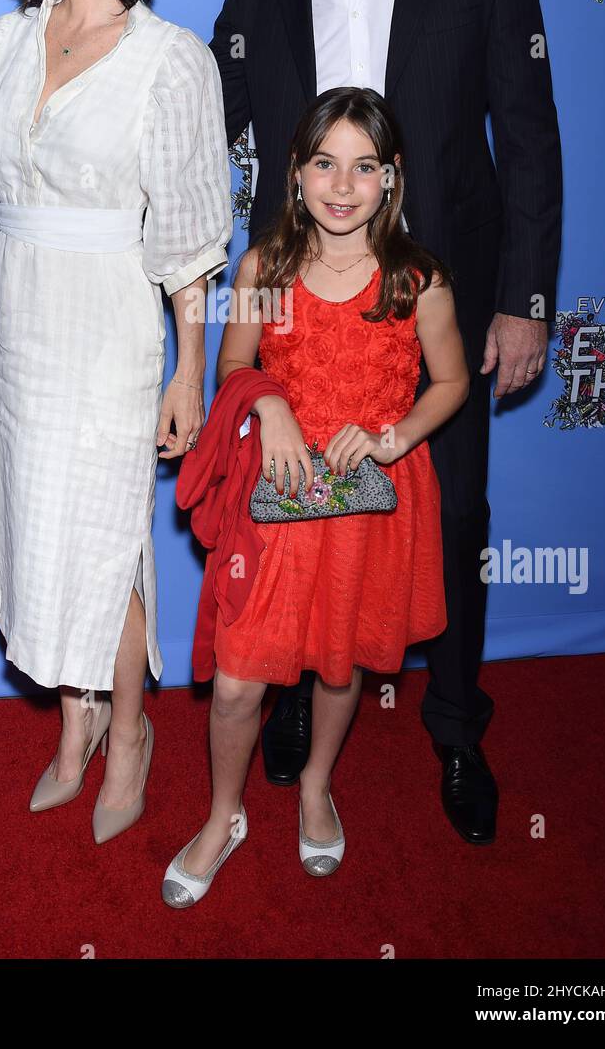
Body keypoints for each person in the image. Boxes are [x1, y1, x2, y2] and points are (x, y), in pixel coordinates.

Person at [209, 0, 562, 843]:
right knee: (286, 513)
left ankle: (455, 723)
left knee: (450, 518)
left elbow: (531, 136)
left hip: (429, 302)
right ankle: (279, 688)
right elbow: (207, 137)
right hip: (298, 309)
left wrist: (526, 298)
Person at [0, 0, 233, 844]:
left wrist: (189, 366)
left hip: (107, 319)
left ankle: (134, 731)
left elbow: (193, 236)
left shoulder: (170, 61)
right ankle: (77, 730)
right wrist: (26, 242)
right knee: (35, 527)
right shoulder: (3, 43)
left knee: (100, 541)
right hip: (12, 305)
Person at [162, 87, 469, 906]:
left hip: (371, 504)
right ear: (294, 173)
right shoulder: (265, 265)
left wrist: (393, 436)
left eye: (363, 167)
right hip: (279, 504)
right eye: (324, 164)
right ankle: (223, 814)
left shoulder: (417, 278)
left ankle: (314, 788)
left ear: (390, 177)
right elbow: (233, 366)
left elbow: (451, 381)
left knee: (341, 668)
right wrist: (269, 406)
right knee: (236, 681)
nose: (342, 185)